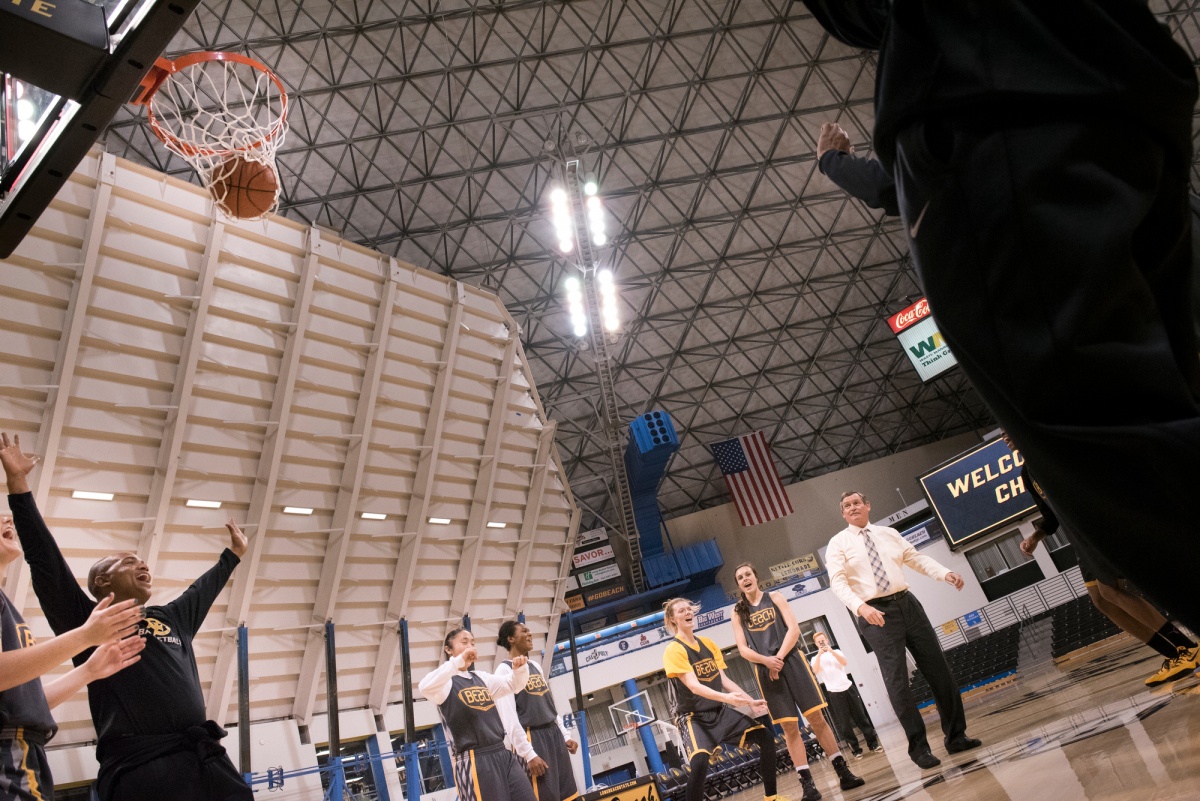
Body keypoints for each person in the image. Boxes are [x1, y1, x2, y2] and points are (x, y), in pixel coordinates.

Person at [797, 0, 1200, 636]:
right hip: (1128, 83)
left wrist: (836, 163)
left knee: (1105, 440)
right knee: (1180, 386)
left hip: (990, 109)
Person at [0, 432, 251, 801]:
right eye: (130, 561)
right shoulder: (85, 619)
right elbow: (44, 557)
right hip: (142, 765)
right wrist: (19, 485)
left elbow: (203, 589)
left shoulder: (171, 617)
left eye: (142, 560)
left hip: (205, 756)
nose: (142, 563)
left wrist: (233, 555)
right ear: (102, 580)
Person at [1007, 438, 1199, 686]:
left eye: (1006, 430)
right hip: (1079, 540)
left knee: (1111, 590)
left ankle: (1187, 648)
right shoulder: (1027, 474)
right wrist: (1036, 536)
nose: (1005, 436)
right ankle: (1174, 655)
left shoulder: (1052, 452)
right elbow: (1050, 516)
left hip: (1095, 529)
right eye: (1002, 435)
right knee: (1102, 601)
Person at [825, 491, 980, 769]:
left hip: (908, 605)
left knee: (939, 671)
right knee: (897, 682)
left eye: (857, 503)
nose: (852, 508)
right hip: (874, 614)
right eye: (846, 506)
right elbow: (838, 583)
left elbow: (916, 559)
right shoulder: (838, 543)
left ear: (867, 505)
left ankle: (956, 736)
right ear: (843, 514)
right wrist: (861, 608)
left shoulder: (888, 534)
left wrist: (945, 573)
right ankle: (919, 750)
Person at [0, 512, 146, 801]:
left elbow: (23, 700)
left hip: (24, 751)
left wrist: (89, 670)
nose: (7, 518)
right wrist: (85, 636)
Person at [730, 563, 863, 800]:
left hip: (791, 660)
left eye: (748, 574)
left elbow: (793, 629)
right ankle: (808, 785)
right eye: (740, 577)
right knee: (790, 728)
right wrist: (767, 661)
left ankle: (844, 773)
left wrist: (778, 658)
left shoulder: (775, 597)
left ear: (756, 576)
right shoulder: (738, 611)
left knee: (817, 719)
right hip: (765, 670)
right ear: (738, 584)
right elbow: (742, 649)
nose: (745, 579)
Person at [660, 598, 786, 801]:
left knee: (766, 737)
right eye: (681, 611)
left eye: (689, 609)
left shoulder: (708, 644)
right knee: (700, 763)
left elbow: (724, 680)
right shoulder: (674, 649)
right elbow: (693, 686)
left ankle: (771, 797)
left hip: (718, 712)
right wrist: (727, 698)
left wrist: (749, 701)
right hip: (693, 716)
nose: (687, 612)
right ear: (673, 619)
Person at [419, 627, 536, 801]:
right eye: (464, 642)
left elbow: (513, 685)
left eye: (472, 643)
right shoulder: (446, 683)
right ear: (449, 650)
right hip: (474, 759)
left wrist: (520, 670)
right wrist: (456, 663)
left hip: (501, 752)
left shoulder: (481, 677)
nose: (470, 646)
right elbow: (424, 687)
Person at [494, 621, 579, 801]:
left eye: (530, 630)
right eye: (524, 631)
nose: (530, 634)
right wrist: (529, 754)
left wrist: (564, 735)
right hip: (533, 738)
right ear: (511, 639)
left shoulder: (535, 666)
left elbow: (549, 705)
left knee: (568, 794)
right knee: (544, 796)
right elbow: (509, 720)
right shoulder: (503, 671)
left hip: (553, 734)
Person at [808, 632, 879, 760]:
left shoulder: (837, 651)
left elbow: (844, 662)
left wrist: (831, 651)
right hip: (834, 693)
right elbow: (815, 671)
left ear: (827, 640)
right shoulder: (815, 658)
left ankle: (873, 743)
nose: (822, 643)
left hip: (848, 688)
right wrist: (820, 653)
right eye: (819, 642)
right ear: (816, 644)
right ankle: (856, 750)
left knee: (861, 718)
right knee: (845, 724)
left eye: (823, 640)